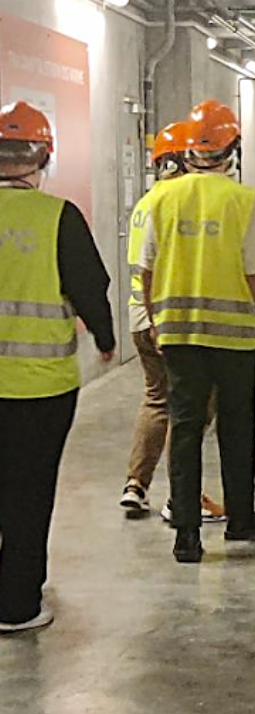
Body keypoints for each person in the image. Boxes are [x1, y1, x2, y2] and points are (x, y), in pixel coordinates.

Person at [140, 99, 255, 564]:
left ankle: (187, 536)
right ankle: (240, 519)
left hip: (178, 334)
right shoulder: (243, 200)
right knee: (237, 427)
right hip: (233, 335)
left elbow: (148, 268)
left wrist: (157, 322)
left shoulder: (162, 197)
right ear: (232, 148)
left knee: (186, 429)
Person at [0, 101, 115, 632]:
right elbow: (89, 287)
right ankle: (18, 602)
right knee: (29, 488)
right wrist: (107, 339)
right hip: (41, 388)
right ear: (43, 157)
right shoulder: (58, 216)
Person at [119, 121, 225, 523]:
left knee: (156, 400)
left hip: (139, 317)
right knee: (193, 410)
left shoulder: (148, 201)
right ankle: (183, 497)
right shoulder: (183, 202)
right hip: (173, 320)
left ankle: (136, 486)